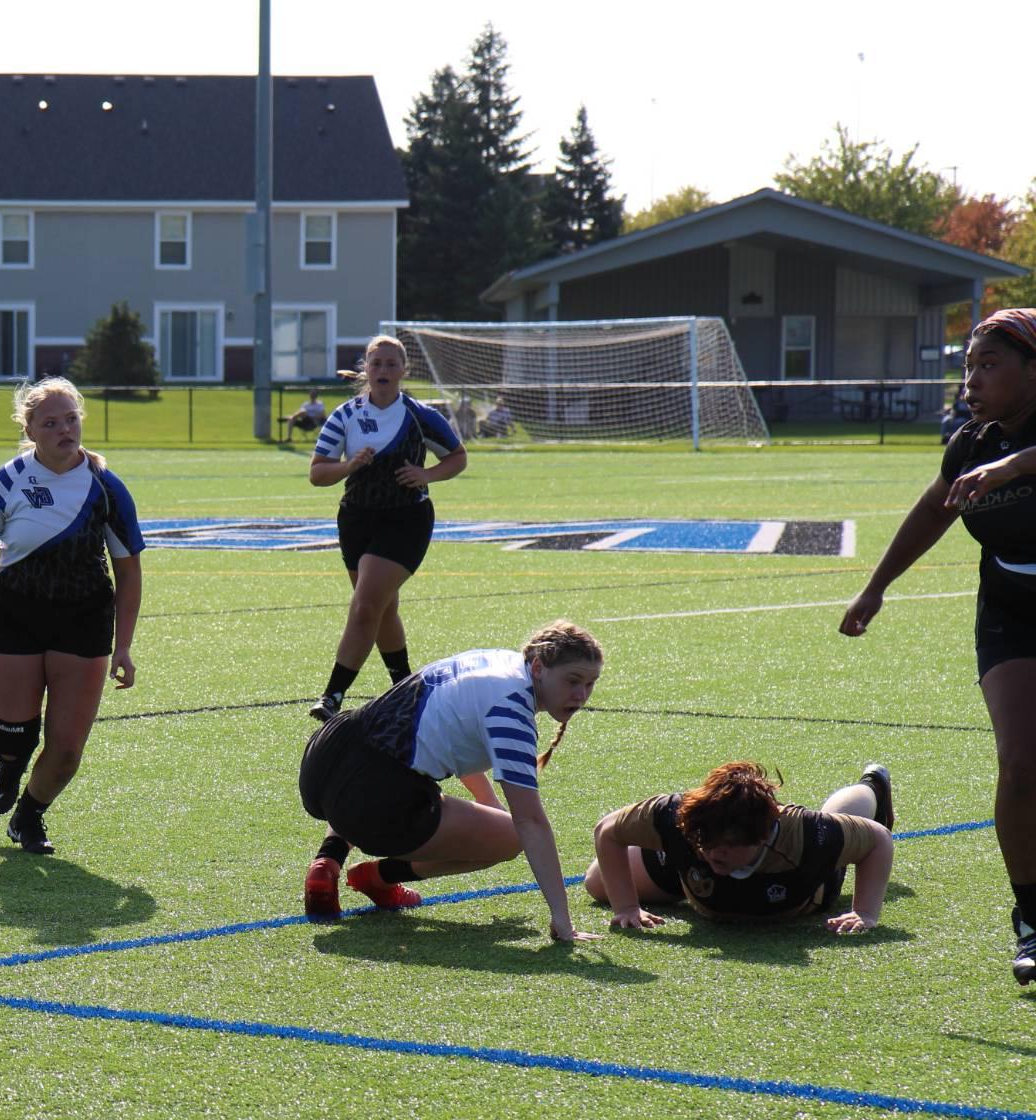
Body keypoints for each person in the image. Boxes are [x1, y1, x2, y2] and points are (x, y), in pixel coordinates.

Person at [841, 308, 1036, 983]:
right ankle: (1033, 919)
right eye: (967, 367)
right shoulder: (970, 445)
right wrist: (876, 588)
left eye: (989, 366)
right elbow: (933, 510)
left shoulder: (1006, 453)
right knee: (1019, 765)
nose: (971, 381)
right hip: (1011, 605)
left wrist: (1015, 465)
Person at [299, 621, 605, 942]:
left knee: (383, 764)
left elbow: (456, 738)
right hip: (373, 797)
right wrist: (562, 918)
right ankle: (381, 878)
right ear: (540, 668)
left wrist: (491, 810)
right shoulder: (512, 710)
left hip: (328, 752)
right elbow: (530, 821)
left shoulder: (501, 661)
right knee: (512, 838)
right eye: (573, 681)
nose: (581, 694)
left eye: (590, 683)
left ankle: (328, 860)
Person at [0, 377, 146, 854]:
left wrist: (123, 645)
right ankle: (11, 762)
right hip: (16, 614)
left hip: (84, 620)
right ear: (31, 429)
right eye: (51, 422)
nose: (65, 429)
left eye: (71, 419)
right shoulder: (8, 479)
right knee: (12, 736)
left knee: (65, 749)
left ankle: (30, 815)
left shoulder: (106, 486)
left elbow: (128, 569)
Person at [307, 335, 467, 722]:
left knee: (365, 607)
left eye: (391, 364)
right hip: (356, 519)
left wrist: (425, 473)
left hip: (406, 520)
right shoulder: (345, 414)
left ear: (403, 370)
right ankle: (404, 686)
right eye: (376, 363)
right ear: (366, 368)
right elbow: (317, 473)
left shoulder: (420, 415)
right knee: (382, 608)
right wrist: (349, 466)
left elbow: (458, 458)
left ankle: (332, 696)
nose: (383, 371)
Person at [583, 762, 896, 934]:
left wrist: (864, 912)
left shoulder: (808, 835)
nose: (715, 853)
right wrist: (626, 907)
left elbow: (879, 839)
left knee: (840, 818)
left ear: (761, 836)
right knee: (598, 883)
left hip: (804, 893)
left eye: (729, 846)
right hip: (692, 880)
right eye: (707, 842)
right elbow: (607, 831)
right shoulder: (674, 816)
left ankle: (872, 784)